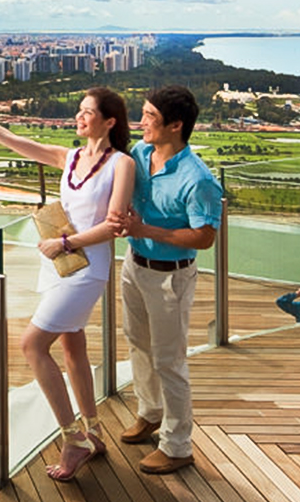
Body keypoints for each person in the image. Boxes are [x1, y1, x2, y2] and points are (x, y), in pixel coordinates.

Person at [0, 85, 135, 481]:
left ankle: (72, 438)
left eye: (87, 112)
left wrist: (64, 243)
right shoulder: (70, 157)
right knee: (72, 346)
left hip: (87, 268)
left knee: (32, 344)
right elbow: (12, 140)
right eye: (79, 110)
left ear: (109, 121)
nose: (79, 117)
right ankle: (94, 431)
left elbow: (113, 226)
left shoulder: (122, 165)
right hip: (59, 265)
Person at [108, 85, 223, 476]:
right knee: (138, 344)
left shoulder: (198, 179)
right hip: (134, 265)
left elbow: (204, 238)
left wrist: (145, 229)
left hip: (170, 278)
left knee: (169, 361)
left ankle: (177, 446)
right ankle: (151, 412)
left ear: (176, 125)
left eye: (150, 117)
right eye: (142, 113)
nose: (141, 122)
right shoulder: (141, 154)